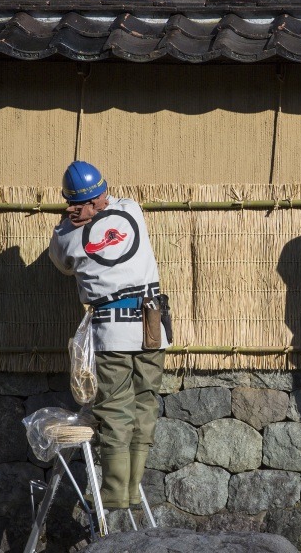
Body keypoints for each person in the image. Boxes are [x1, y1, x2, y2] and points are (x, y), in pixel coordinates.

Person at [49, 161, 171, 509]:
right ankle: (130, 490)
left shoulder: (66, 237)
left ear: (73, 203)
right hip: (152, 323)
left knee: (116, 410)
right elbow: (112, 205)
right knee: (145, 402)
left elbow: (61, 263)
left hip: (113, 330)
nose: (100, 203)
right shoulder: (131, 209)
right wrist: (92, 208)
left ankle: (117, 493)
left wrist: (68, 221)